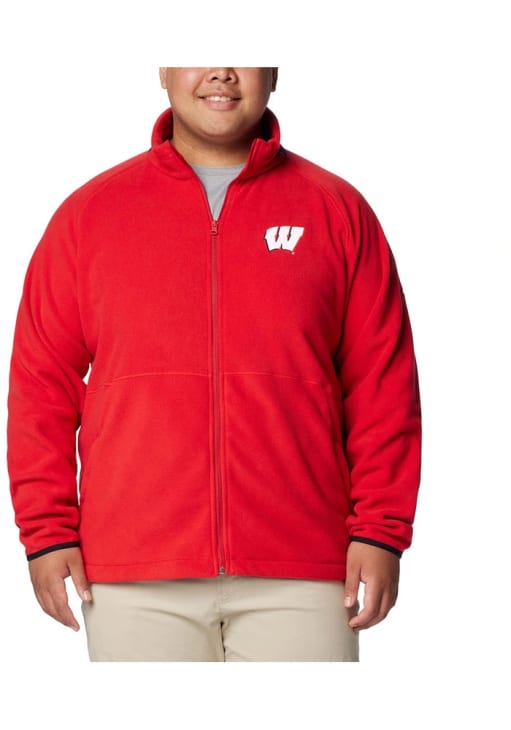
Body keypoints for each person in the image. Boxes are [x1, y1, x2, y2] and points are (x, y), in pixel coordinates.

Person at [6, 67, 422, 662]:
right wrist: (47, 533)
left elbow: (383, 384)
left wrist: (380, 531)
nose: (221, 71)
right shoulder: (89, 215)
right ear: (163, 71)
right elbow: (41, 383)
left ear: (273, 71)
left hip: (304, 568)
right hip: (134, 571)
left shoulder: (336, 210)